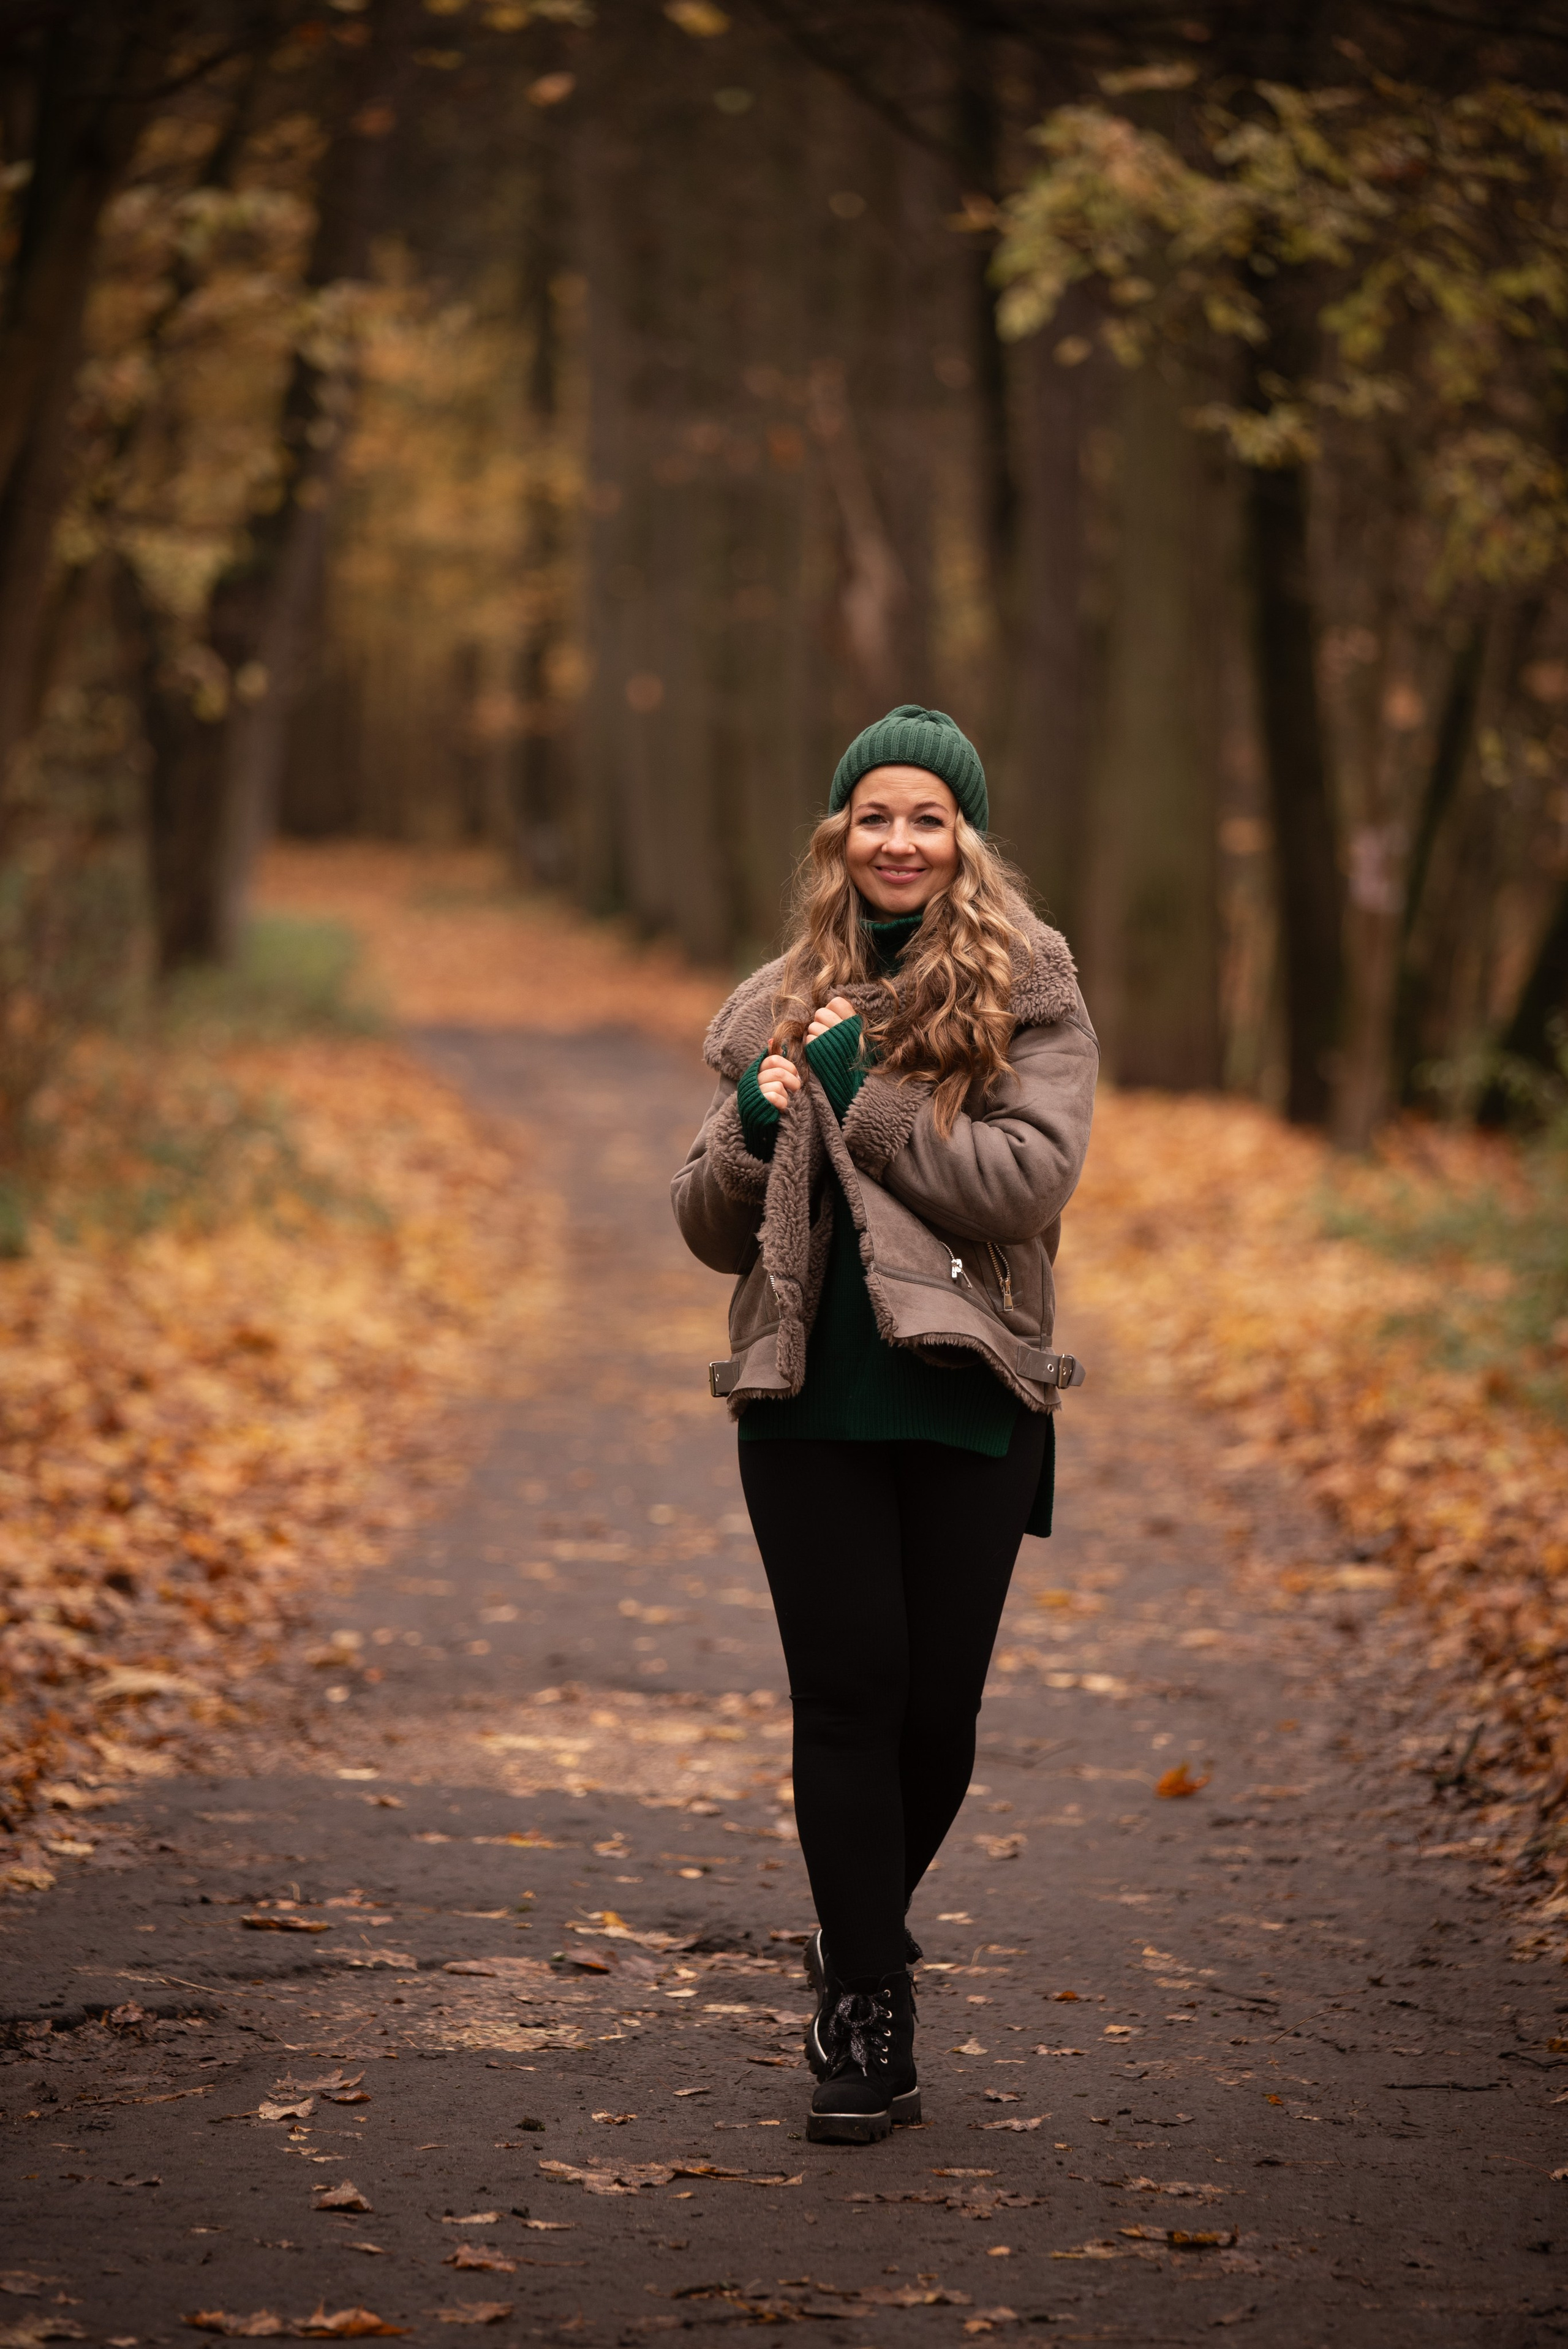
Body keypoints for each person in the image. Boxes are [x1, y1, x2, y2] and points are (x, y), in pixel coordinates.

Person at [671, 705, 1098, 2144]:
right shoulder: (778, 998)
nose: (897, 842)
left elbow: (1024, 1184)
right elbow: (703, 1227)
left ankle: (855, 1922)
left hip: (970, 1386)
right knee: (848, 1699)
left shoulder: (1030, 991)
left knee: (935, 1715)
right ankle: (866, 2001)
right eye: (874, 817)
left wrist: (860, 1089)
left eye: (926, 818)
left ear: (962, 839)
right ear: (837, 836)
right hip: (806, 1392)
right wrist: (753, 1124)